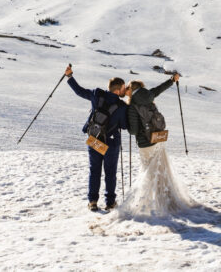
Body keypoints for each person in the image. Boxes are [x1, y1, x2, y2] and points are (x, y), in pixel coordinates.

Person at [120, 73, 196, 218]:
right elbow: (160, 88)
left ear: (131, 89)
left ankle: (152, 203)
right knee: (161, 170)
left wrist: (128, 127)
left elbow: (134, 130)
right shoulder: (149, 96)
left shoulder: (132, 106)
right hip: (158, 138)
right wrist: (172, 80)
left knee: (148, 172)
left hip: (145, 143)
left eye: (128, 88)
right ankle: (166, 199)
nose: (126, 91)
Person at [64, 64, 128, 211]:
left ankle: (92, 201)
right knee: (110, 173)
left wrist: (69, 76)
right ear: (118, 90)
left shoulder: (96, 94)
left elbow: (79, 91)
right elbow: (124, 126)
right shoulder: (122, 106)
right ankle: (110, 203)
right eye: (124, 88)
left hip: (94, 138)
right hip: (111, 142)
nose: (125, 91)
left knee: (94, 170)